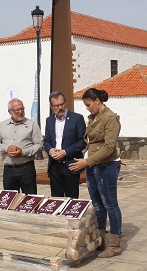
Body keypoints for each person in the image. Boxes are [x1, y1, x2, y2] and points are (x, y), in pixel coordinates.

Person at [69, 88, 122, 258]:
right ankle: (100, 240)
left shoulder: (110, 118)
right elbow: (91, 142)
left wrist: (87, 161)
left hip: (106, 165)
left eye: (88, 104)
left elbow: (109, 147)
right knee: (98, 204)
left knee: (110, 204)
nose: (87, 108)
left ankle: (114, 245)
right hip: (92, 164)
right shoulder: (93, 118)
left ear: (97, 100)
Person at [0, 98, 43, 194]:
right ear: (10, 112)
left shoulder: (32, 125)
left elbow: (39, 144)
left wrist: (23, 152)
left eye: (22, 109)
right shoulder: (2, 125)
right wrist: (6, 148)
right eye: (17, 110)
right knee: (10, 199)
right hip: (9, 170)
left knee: (30, 198)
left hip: (26, 169)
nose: (20, 112)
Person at [44, 91, 86, 198]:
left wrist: (65, 152)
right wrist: (50, 150)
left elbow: (83, 142)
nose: (60, 108)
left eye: (62, 104)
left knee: (71, 200)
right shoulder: (49, 120)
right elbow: (47, 141)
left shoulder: (77, 119)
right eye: (56, 106)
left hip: (70, 165)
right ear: (51, 107)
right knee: (56, 199)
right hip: (54, 166)